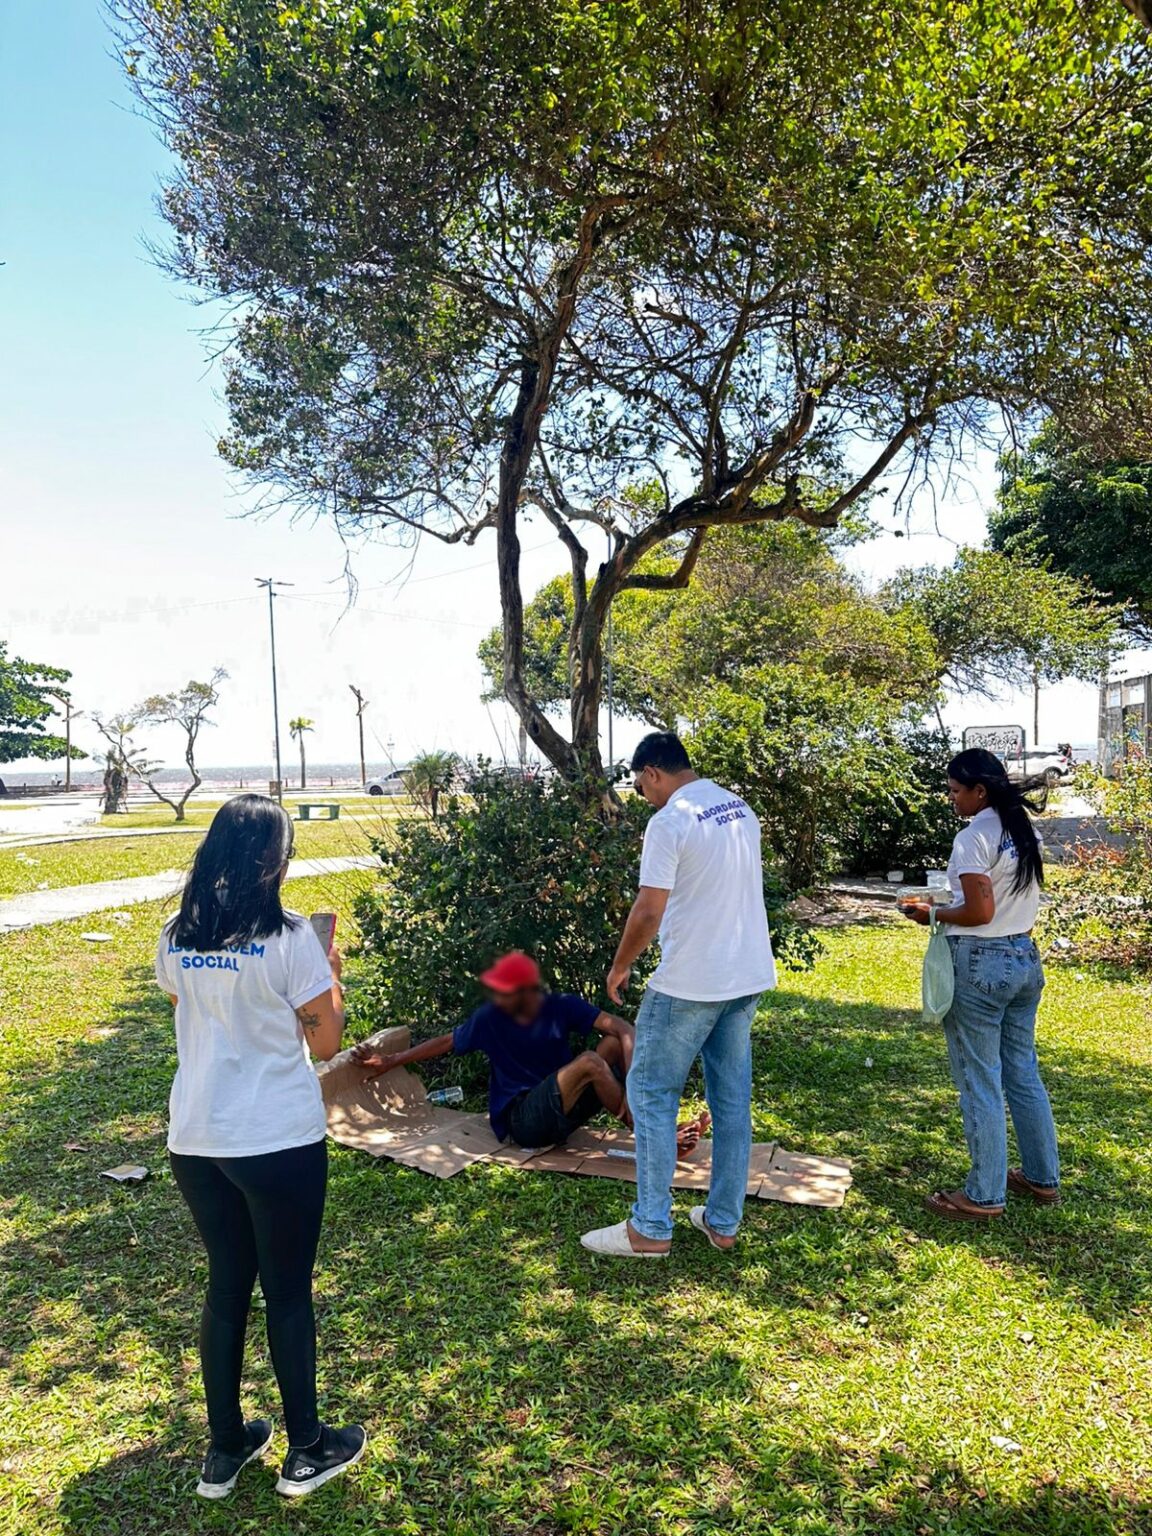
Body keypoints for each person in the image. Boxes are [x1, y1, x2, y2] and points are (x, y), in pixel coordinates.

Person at [155, 794, 366, 1500]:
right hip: (275, 1138)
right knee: (287, 1291)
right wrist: (330, 976)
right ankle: (307, 1447)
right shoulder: (291, 937)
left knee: (226, 1285)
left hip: (196, 1137)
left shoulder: (177, 932)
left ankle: (225, 1447)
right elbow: (326, 1042)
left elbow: (190, 1010)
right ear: (275, 860)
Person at [581, 732, 777, 1259]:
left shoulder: (670, 821)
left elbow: (650, 908)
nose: (644, 796)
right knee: (731, 1100)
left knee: (649, 1090)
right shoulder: (738, 809)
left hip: (691, 981)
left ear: (651, 773)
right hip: (745, 976)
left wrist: (621, 965)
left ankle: (650, 1227)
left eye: (640, 786)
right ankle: (723, 1222)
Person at [900, 748, 1060, 1221]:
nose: (952, 799)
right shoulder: (1023, 830)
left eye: (956, 791)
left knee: (979, 1078)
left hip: (981, 963)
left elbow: (979, 912)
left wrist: (930, 913)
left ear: (980, 791)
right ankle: (1042, 1176)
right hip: (1023, 956)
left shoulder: (973, 837)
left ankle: (985, 1194)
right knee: (1022, 1072)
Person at [353, 950, 710, 1154]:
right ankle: (657, 1141)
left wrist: (633, 1091)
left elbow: (624, 1030)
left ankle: (655, 1130)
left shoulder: (560, 1005)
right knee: (590, 1062)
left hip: (561, 1109)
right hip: (523, 1122)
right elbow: (447, 1041)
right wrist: (392, 1060)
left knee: (613, 1045)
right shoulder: (490, 1018)